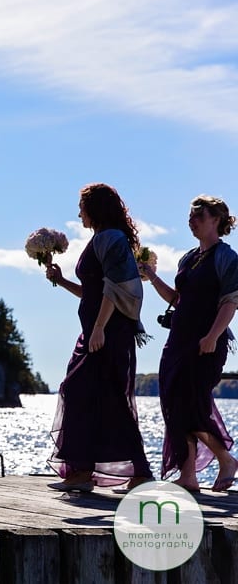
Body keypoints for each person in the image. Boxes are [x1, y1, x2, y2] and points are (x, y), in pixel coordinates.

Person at [43, 183, 153, 493]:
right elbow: (91, 291)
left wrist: (100, 328)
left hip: (107, 333)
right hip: (95, 331)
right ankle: (90, 471)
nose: (79, 213)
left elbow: (115, 288)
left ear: (95, 208)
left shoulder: (111, 238)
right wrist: (62, 280)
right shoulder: (102, 238)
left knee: (85, 392)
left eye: (82, 207)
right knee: (95, 397)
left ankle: (87, 471)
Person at [140, 195, 238, 493]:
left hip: (206, 343)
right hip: (178, 341)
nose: (191, 220)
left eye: (198, 215)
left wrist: (211, 336)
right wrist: (152, 277)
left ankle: (226, 459)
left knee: (192, 406)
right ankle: (188, 476)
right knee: (173, 405)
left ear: (216, 220)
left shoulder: (227, 258)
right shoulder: (188, 258)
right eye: (190, 215)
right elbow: (177, 300)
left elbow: (231, 302)